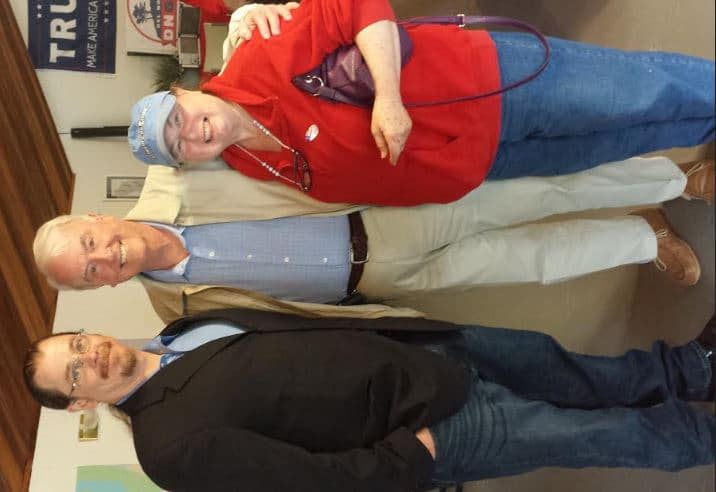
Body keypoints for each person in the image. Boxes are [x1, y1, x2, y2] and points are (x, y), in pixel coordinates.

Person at [23, 308, 716, 491]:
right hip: (430, 426)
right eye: (74, 373)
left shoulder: (181, 329)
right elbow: (300, 482)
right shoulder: (167, 448)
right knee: (593, 434)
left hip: (430, 353)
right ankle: (700, 438)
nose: (91, 356)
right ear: (80, 405)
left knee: (570, 371)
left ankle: (691, 368)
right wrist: (408, 460)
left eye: (77, 344)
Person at [128, 0, 714, 206]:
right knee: (617, 141)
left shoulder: (257, 56)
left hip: (484, 85)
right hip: (480, 164)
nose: (192, 132)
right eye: (179, 145)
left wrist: (388, 96)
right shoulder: (246, 163)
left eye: (179, 117)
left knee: (640, 89)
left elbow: (355, 6)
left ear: (184, 90)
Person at [33, 156, 712, 322]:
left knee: (539, 191)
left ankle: (673, 179)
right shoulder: (176, 312)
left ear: (94, 219)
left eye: (89, 245)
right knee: (527, 262)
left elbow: (239, 108)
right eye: (89, 273)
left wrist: (249, 20)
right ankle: (641, 239)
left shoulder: (175, 175)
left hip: (385, 213)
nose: (103, 258)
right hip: (379, 280)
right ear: (101, 288)